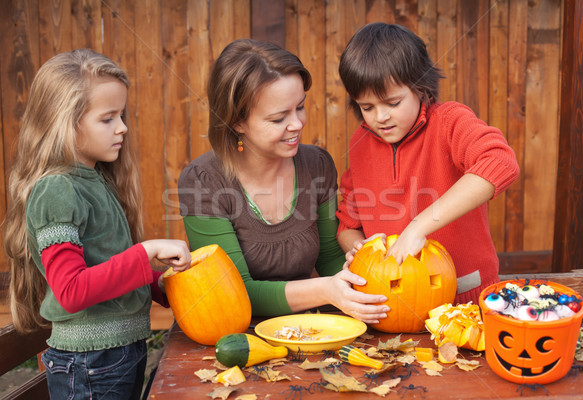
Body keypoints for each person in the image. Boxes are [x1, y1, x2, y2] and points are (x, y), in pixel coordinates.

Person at [3, 49, 191, 400]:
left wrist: (160, 284)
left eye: (121, 115)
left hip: (115, 355)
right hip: (91, 362)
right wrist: (146, 251)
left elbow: (105, 264)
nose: (122, 128)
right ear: (64, 122)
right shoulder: (57, 189)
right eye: (107, 119)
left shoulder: (94, 179)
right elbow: (72, 290)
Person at [178, 38, 389, 323]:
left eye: (299, 107)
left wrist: (372, 267)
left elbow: (329, 259)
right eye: (279, 118)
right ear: (237, 122)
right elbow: (232, 291)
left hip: (314, 329)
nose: (298, 124)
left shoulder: (317, 165)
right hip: (235, 337)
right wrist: (324, 290)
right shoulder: (202, 181)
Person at [336, 23, 520, 305]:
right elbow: (348, 222)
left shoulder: (449, 122)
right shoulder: (361, 141)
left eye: (392, 103)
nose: (380, 117)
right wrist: (362, 253)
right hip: (390, 302)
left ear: (420, 87)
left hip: (464, 297)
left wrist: (418, 226)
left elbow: (500, 162)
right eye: (367, 107)